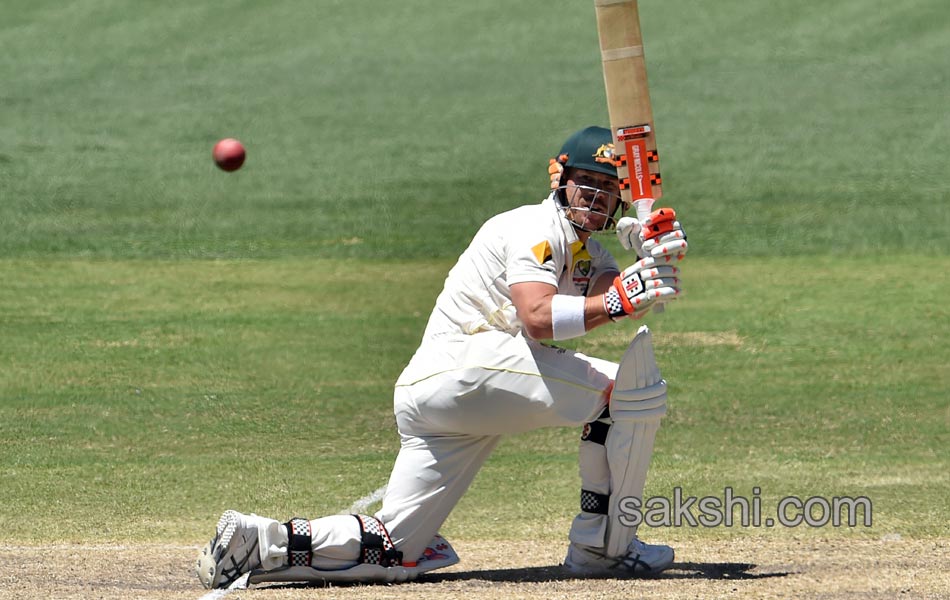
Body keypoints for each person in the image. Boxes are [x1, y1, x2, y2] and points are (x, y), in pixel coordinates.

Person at [195, 126, 688, 589]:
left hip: (442, 390)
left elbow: (611, 297)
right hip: (470, 364)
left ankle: (257, 543)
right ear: (560, 179)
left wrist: (650, 260)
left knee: (395, 551)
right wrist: (625, 296)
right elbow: (539, 316)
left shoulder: (593, 254)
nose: (597, 195)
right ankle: (602, 547)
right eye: (587, 182)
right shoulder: (533, 225)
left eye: (607, 186)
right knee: (629, 392)